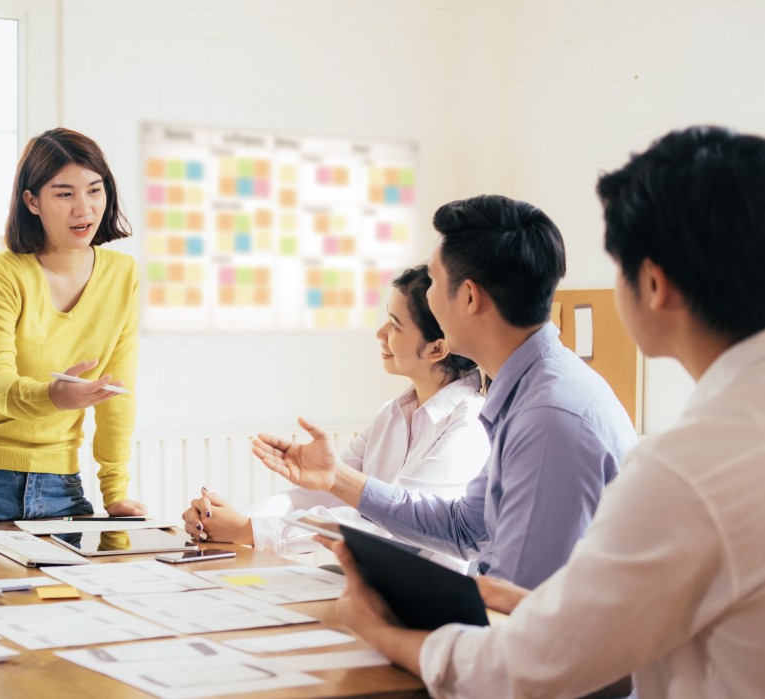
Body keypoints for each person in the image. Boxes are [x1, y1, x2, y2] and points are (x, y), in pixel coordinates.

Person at [323, 126, 765, 697]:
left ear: (652, 283)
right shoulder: (534, 396)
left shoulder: (595, 432)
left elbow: (525, 666)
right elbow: (473, 529)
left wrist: (379, 631)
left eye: (432, 281)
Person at [254, 195, 637, 588]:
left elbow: (519, 606)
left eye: (434, 281)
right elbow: (466, 528)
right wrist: (337, 478)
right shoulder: (527, 391)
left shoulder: (550, 416)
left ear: (469, 297)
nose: (429, 294)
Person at [181, 265, 489, 565]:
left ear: (437, 349)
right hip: (368, 584)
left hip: (425, 604)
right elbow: (324, 494)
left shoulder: (469, 426)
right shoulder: (392, 414)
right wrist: (232, 520)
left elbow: (394, 526)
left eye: (395, 325)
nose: (380, 333)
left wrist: (248, 530)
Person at [0, 128, 147, 522]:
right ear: (32, 201)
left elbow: (116, 394)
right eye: (64, 193)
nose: (84, 209)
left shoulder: (123, 276)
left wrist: (115, 492)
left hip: (60, 485)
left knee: (83, 587)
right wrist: (54, 397)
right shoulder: (4, 272)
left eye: (94, 190)